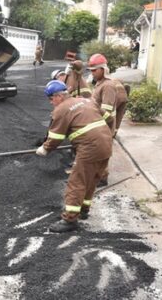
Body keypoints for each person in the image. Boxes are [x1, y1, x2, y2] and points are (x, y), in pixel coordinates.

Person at [36, 80, 113, 233]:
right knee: (92, 178)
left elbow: (56, 137)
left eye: (51, 99)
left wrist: (45, 149)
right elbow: (108, 118)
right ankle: (83, 210)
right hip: (106, 144)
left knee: (76, 182)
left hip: (90, 147)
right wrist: (83, 132)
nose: (51, 102)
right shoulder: (86, 100)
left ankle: (70, 220)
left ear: (58, 96)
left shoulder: (61, 109)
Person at [88, 53, 117, 187]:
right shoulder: (100, 83)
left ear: (103, 69)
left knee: (102, 153)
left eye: (94, 70)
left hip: (104, 125)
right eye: (91, 70)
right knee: (97, 152)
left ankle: (102, 178)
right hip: (97, 124)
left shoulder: (108, 86)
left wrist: (98, 125)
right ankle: (97, 175)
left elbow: (107, 112)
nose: (92, 73)